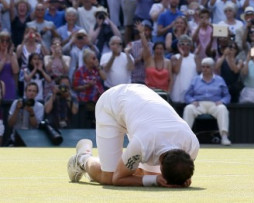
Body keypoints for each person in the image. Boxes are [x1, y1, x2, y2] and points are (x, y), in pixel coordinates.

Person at [66, 84, 198, 187]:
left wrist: (182, 178)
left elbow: (176, 171)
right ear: (162, 165)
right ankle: (82, 158)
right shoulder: (143, 143)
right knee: (109, 177)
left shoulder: (192, 145)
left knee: (145, 174)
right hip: (112, 104)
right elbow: (118, 178)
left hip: (139, 100)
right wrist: (156, 180)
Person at [183, 57, 232, 146]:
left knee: (222, 108)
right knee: (188, 108)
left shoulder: (219, 80)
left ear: (212, 68)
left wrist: (222, 101)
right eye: (203, 67)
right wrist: (192, 100)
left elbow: (227, 95)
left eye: (207, 67)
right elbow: (187, 95)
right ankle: (186, 138)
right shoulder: (195, 79)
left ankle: (224, 136)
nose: (205, 69)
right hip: (199, 104)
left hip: (214, 104)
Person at [6, 81, 44, 145]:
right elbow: (10, 124)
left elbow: (35, 125)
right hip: (16, 137)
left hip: (32, 138)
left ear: (36, 94)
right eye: (29, 90)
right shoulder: (16, 103)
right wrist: (17, 109)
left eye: (34, 91)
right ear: (25, 92)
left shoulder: (39, 106)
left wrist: (31, 113)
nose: (31, 93)